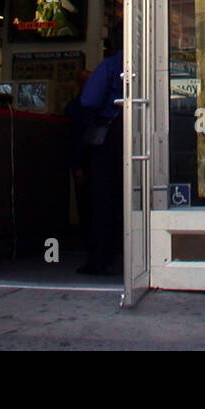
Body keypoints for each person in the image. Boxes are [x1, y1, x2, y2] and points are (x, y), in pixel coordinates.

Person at [76, 48, 124, 276]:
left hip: (111, 135)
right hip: (142, 133)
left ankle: (101, 258)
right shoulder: (151, 59)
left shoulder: (111, 64)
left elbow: (89, 99)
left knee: (104, 198)